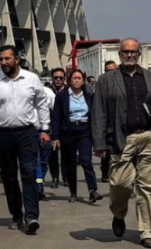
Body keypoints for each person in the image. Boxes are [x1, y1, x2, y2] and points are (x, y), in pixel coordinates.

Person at [91, 38, 151, 249]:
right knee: (120, 184)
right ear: (119, 55)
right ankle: (118, 215)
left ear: (139, 54)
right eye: (125, 52)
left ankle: (146, 231)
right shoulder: (106, 80)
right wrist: (99, 143)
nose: (129, 55)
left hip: (148, 137)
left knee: (147, 187)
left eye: (133, 52)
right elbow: (98, 112)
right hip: (121, 139)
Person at [0, 45, 50, 235]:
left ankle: (31, 216)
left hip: (27, 133)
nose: (3, 63)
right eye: (1, 59)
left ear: (16, 60)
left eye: (7, 59)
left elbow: (41, 104)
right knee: (9, 177)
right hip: (3, 134)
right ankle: (16, 215)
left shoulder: (31, 79)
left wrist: (45, 129)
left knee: (28, 173)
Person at [51, 69, 102, 203]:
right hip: (68, 131)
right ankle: (73, 192)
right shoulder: (62, 96)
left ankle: (92, 190)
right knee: (70, 163)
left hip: (85, 130)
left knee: (86, 161)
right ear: (69, 80)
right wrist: (55, 136)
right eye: (74, 78)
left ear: (83, 80)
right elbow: (56, 116)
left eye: (80, 78)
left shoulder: (88, 94)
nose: (77, 80)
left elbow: (94, 113)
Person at [45, 68, 65, 189]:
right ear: (52, 79)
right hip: (51, 126)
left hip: (66, 127)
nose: (58, 80)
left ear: (64, 79)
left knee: (66, 155)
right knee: (52, 155)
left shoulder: (69, 91)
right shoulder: (47, 91)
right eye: (56, 78)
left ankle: (66, 177)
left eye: (60, 78)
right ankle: (55, 177)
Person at [99, 60, 118, 183]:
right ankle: (105, 172)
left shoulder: (122, 84)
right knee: (106, 152)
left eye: (113, 71)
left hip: (121, 124)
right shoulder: (102, 84)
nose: (110, 74)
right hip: (107, 124)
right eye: (108, 71)